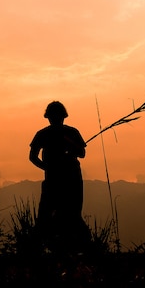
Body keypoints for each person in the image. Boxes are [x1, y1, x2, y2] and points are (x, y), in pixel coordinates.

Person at [29, 101, 90, 253]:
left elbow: (82, 153)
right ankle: (47, 247)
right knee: (47, 214)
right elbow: (32, 156)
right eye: (53, 116)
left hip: (71, 180)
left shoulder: (71, 132)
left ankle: (77, 246)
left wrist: (70, 145)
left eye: (57, 116)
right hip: (55, 180)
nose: (55, 119)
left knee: (72, 213)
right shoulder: (42, 134)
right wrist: (48, 168)